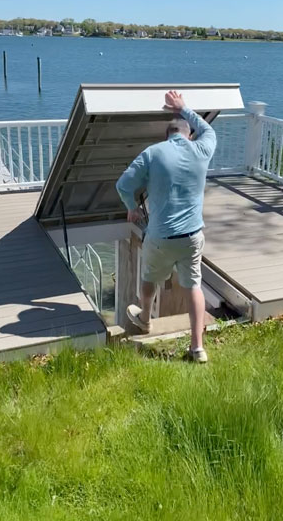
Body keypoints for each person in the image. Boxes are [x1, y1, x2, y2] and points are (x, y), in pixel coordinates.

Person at [115, 90, 217, 363]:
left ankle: (145, 318)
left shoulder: (153, 153)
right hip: (193, 236)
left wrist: (132, 207)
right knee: (194, 286)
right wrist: (184, 107)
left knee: (150, 278)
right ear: (189, 134)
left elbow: (123, 185)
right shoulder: (203, 149)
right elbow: (207, 128)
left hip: (160, 237)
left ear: (166, 136)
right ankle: (198, 348)